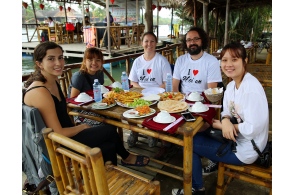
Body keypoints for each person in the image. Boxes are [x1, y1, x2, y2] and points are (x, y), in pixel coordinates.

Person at [23, 41, 150, 167]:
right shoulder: (40, 91)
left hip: (68, 133)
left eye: (60, 57)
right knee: (109, 130)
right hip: (60, 145)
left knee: (110, 146)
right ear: (39, 64)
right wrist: (82, 127)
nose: (58, 63)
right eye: (51, 59)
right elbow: (58, 133)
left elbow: (62, 117)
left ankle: (107, 177)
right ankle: (126, 159)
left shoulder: (52, 82)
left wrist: (77, 126)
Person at [172, 42, 269, 195]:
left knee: (189, 143)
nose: (228, 64)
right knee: (198, 132)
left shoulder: (251, 89)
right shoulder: (231, 86)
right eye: (224, 60)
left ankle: (197, 189)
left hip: (247, 149)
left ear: (245, 61)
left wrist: (226, 127)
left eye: (234, 59)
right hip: (236, 138)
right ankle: (206, 174)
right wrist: (224, 121)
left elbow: (253, 128)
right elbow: (226, 112)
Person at [172, 26, 223, 174]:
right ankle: (196, 150)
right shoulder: (181, 60)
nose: (192, 42)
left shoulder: (211, 61)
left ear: (202, 41)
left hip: (204, 103)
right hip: (183, 103)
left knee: (195, 129)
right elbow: (175, 85)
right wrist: (175, 103)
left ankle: (204, 151)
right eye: (188, 40)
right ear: (185, 43)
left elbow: (211, 91)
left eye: (196, 39)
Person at [127, 32, 173, 159]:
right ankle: (134, 131)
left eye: (152, 41)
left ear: (156, 43)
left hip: (158, 94)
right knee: (131, 108)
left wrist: (154, 91)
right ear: (142, 43)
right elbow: (133, 81)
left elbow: (166, 82)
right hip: (140, 93)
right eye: (146, 41)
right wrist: (142, 91)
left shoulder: (162, 61)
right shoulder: (137, 61)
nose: (149, 44)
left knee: (157, 110)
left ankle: (153, 133)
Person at [69, 47, 105, 126]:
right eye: (90, 60)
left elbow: (101, 91)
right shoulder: (79, 76)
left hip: (96, 107)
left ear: (101, 62)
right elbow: (73, 101)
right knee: (105, 124)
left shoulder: (100, 73)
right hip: (80, 111)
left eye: (98, 60)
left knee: (115, 119)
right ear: (85, 61)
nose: (94, 63)